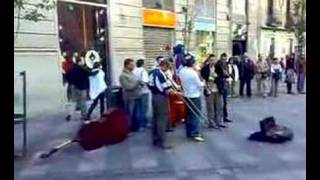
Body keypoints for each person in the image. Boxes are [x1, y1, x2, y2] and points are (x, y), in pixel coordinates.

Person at [149, 59, 177, 149]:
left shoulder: (152, 72)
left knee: (155, 118)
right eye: (167, 67)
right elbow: (167, 88)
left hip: (154, 96)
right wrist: (178, 93)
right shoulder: (160, 74)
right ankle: (162, 141)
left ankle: (155, 138)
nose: (167, 69)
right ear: (163, 66)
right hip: (161, 97)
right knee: (162, 119)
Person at [179, 54, 205, 142]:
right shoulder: (193, 73)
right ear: (193, 63)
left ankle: (189, 131)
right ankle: (195, 133)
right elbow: (200, 85)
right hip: (194, 95)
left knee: (188, 115)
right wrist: (203, 81)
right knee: (195, 115)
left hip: (186, 94)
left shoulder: (182, 71)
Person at [200, 54, 224, 129]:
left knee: (219, 106)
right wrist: (209, 77)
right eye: (211, 60)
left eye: (214, 60)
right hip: (209, 90)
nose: (212, 62)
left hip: (217, 89)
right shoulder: (204, 68)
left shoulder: (218, 67)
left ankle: (219, 121)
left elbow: (222, 77)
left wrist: (217, 77)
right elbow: (203, 78)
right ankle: (211, 122)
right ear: (208, 60)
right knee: (210, 107)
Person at [119, 58, 142, 132]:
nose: (133, 66)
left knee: (136, 114)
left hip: (136, 96)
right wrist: (137, 83)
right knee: (129, 114)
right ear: (127, 65)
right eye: (132, 65)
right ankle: (127, 129)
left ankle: (135, 127)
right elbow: (128, 87)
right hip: (129, 98)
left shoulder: (132, 73)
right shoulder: (123, 75)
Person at [65, 56, 89, 120]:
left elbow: (67, 76)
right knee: (83, 102)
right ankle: (84, 116)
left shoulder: (72, 69)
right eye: (82, 61)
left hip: (74, 87)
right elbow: (87, 78)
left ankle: (70, 114)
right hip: (82, 88)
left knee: (73, 102)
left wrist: (71, 83)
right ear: (80, 62)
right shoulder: (83, 70)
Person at [215, 53, 232, 124]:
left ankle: (224, 116)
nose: (224, 60)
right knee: (219, 102)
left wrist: (227, 75)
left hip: (225, 84)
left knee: (225, 102)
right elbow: (223, 74)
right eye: (223, 59)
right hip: (220, 84)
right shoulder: (218, 65)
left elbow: (227, 74)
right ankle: (218, 117)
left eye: (225, 59)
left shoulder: (226, 65)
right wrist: (225, 74)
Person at [133, 59, 150, 129]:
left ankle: (138, 124)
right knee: (144, 108)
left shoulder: (134, 71)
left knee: (138, 108)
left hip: (136, 91)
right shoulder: (143, 71)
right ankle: (143, 124)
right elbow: (145, 81)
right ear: (143, 64)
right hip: (144, 91)